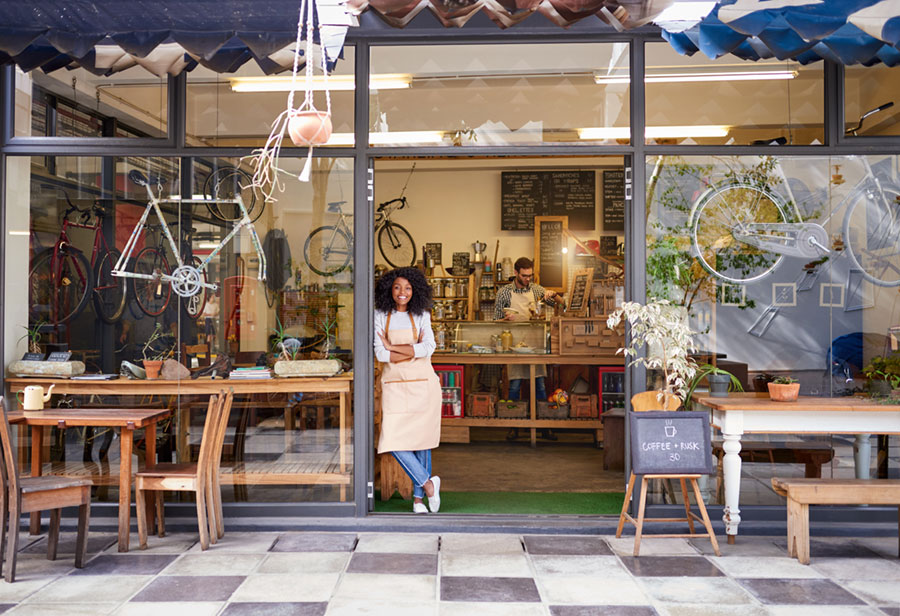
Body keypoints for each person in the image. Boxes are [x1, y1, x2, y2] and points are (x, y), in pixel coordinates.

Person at [374, 267, 443, 514]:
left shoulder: (422, 314)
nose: (402, 292)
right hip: (394, 387)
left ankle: (417, 500)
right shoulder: (380, 315)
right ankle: (428, 485)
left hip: (423, 386)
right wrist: (412, 348)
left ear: (415, 291)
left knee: (421, 441)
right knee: (392, 439)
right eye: (397, 287)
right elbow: (381, 354)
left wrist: (394, 346)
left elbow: (430, 348)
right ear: (389, 290)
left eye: (408, 288)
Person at [494, 257, 559, 440]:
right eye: (524, 276)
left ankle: (544, 427)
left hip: (536, 344)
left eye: (530, 275)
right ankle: (514, 426)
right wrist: (505, 320)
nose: (528, 279)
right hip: (514, 345)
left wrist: (553, 294)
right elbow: (494, 321)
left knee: (540, 385)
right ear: (516, 273)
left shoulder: (536, 289)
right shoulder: (504, 292)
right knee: (514, 385)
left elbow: (559, 303)